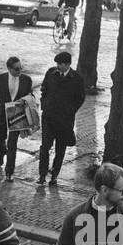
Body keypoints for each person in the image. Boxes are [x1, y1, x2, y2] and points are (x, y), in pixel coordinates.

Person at [38, 50, 86, 185]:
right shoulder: (50, 73)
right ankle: (42, 175)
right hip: (48, 117)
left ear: (68, 64)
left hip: (65, 121)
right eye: (57, 64)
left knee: (60, 148)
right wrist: (44, 104)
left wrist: (69, 111)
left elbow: (80, 98)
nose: (58, 66)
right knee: (45, 146)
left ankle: (54, 175)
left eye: (60, 64)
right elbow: (44, 89)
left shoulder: (77, 78)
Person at [0, 56, 33, 180]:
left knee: (12, 143)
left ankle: (9, 172)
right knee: (0, 139)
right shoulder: (1, 78)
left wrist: (25, 100)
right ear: (9, 68)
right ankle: (1, 153)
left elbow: (31, 95)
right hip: (1, 113)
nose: (19, 71)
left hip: (17, 114)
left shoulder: (26, 79)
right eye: (16, 69)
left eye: (21, 68)